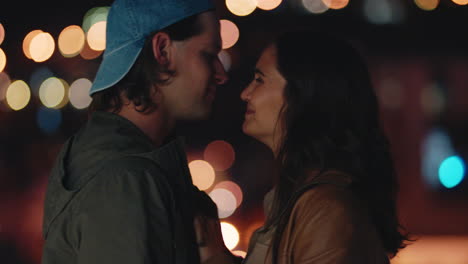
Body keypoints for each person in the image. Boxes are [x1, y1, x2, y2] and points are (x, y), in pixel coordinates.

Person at [40, 0, 236, 263]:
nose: (221, 74)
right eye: (209, 55)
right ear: (162, 50)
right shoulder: (125, 180)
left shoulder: (114, 157)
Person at [197, 31, 410, 263]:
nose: (245, 93)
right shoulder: (297, 199)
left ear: (302, 92)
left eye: (259, 80)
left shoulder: (327, 210)